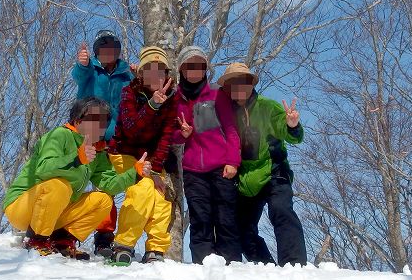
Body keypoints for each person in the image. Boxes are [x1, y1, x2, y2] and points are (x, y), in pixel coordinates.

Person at [3, 97, 151, 258]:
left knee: (103, 200)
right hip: (22, 205)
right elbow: (43, 169)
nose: (99, 125)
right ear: (77, 120)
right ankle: (36, 241)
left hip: (55, 213)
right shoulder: (59, 135)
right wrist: (76, 159)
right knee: (59, 185)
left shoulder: (98, 151)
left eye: (104, 121)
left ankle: (61, 241)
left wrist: (135, 174)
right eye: (93, 119)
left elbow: (109, 184)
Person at [218, 63, 307, 266]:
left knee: (281, 210)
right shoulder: (225, 114)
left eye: (244, 81)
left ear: (251, 84)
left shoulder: (268, 106)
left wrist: (292, 126)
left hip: (274, 173)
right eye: (233, 83)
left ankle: (295, 265)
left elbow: (290, 134)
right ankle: (264, 267)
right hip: (245, 180)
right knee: (240, 227)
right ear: (227, 88)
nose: (239, 87)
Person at [108, 46, 178, 265]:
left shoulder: (172, 99)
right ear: (141, 73)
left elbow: (166, 137)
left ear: (166, 74)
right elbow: (131, 129)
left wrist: (157, 170)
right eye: (150, 69)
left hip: (152, 159)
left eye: (160, 70)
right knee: (143, 189)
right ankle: (124, 245)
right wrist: (152, 104)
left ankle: (156, 249)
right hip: (125, 153)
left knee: (162, 195)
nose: (155, 75)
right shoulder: (129, 92)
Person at [173, 46, 242, 264]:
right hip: (193, 170)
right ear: (182, 70)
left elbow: (231, 129)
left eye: (200, 66)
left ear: (205, 69)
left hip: (222, 166)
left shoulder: (216, 94)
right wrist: (182, 135)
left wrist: (233, 161)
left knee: (226, 218)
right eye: (190, 66)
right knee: (200, 218)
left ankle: (231, 265)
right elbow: (171, 136)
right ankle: (202, 265)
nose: (195, 70)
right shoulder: (175, 99)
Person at [72, 30, 134, 256]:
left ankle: (104, 238)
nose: (109, 53)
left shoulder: (126, 74)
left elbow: (137, 94)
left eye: (113, 49)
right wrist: (83, 64)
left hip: (115, 139)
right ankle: (61, 230)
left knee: (107, 188)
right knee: (74, 182)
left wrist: (140, 72)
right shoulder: (91, 70)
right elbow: (79, 76)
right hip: (88, 136)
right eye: (104, 49)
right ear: (97, 51)